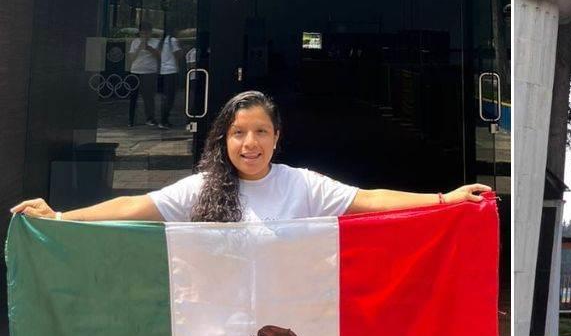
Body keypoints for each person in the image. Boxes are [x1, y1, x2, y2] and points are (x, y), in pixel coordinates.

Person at [11, 90, 490, 223]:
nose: (250, 143)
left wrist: (445, 199)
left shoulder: (302, 185)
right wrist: (60, 217)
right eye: (239, 133)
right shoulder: (201, 191)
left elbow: (368, 200)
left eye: (261, 131)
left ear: (277, 137)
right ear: (224, 139)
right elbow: (134, 206)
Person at [127, 20, 160, 127]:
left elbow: (159, 56)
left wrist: (148, 47)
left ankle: (150, 118)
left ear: (150, 32)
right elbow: (131, 58)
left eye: (147, 33)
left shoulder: (155, 42)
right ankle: (131, 120)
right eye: (142, 33)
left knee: (149, 97)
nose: (145, 35)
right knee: (133, 96)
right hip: (136, 71)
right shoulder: (135, 42)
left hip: (149, 71)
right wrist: (139, 47)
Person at [158, 24, 183, 129]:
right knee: (170, 97)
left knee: (166, 96)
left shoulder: (164, 41)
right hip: (171, 70)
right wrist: (183, 50)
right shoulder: (172, 40)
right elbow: (178, 54)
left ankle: (164, 119)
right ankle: (164, 120)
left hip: (164, 70)